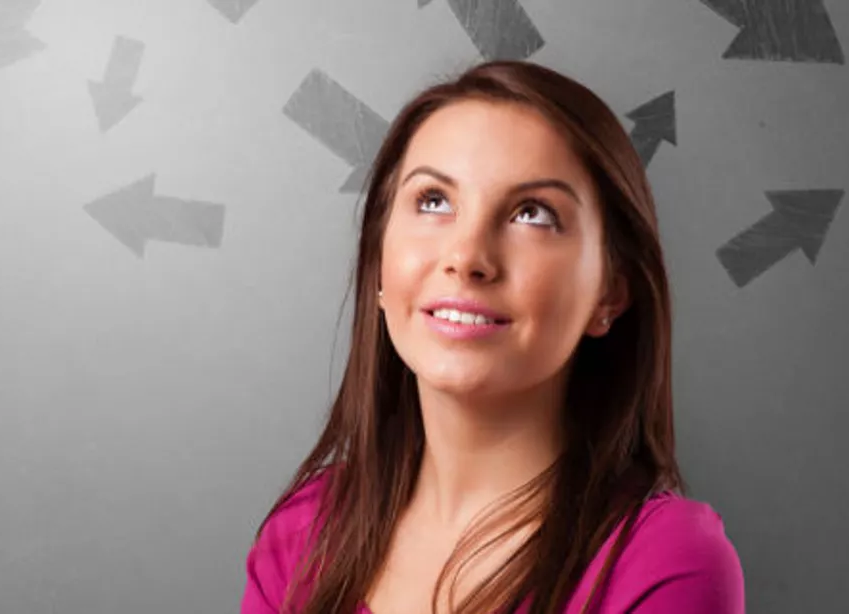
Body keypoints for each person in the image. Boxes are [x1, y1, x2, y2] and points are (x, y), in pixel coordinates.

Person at [241, 60, 744, 614]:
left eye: (532, 213)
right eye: (434, 201)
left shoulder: (664, 563)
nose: (467, 257)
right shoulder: (300, 536)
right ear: (380, 267)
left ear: (610, 294)